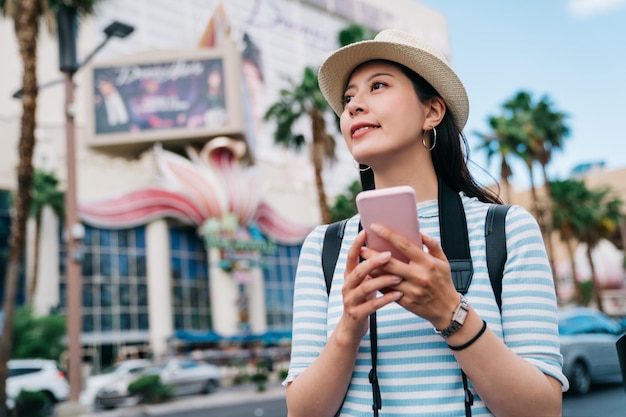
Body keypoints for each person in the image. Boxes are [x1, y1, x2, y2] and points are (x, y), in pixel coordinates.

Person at [283, 29, 568, 417]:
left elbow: (542, 410)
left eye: (377, 86)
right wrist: (349, 327)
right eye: (348, 98)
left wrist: (449, 311)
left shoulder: (506, 230)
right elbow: (301, 412)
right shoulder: (324, 246)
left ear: (432, 111)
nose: (353, 107)